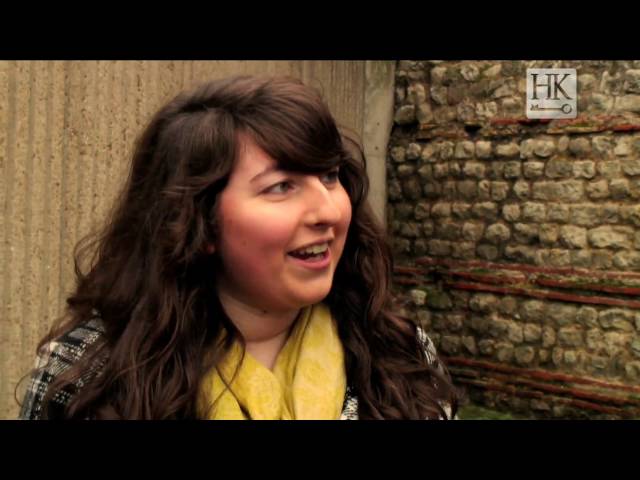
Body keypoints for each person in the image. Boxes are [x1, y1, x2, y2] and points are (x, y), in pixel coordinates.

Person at [18, 75, 459, 420]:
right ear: (198, 222)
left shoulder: (397, 353)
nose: (328, 209)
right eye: (281, 186)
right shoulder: (92, 373)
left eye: (329, 176)